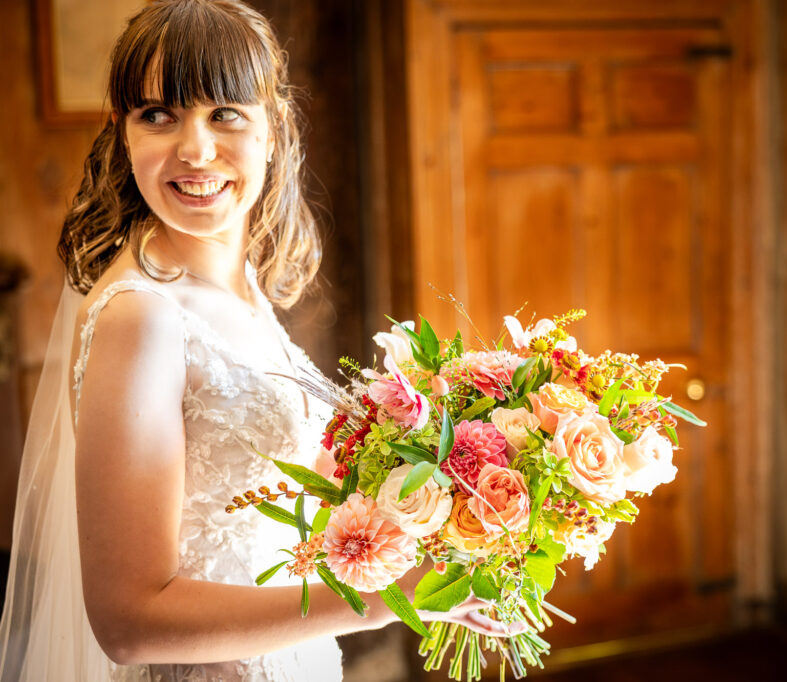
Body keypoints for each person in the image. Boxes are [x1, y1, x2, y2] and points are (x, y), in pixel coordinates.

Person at [0, 1, 505, 680]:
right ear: (123, 134)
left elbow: (271, 514)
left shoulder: (235, 287)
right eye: (158, 115)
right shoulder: (141, 318)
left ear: (274, 128)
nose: (194, 149)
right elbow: (127, 622)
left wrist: (446, 517)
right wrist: (382, 601)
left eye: (224, 113)